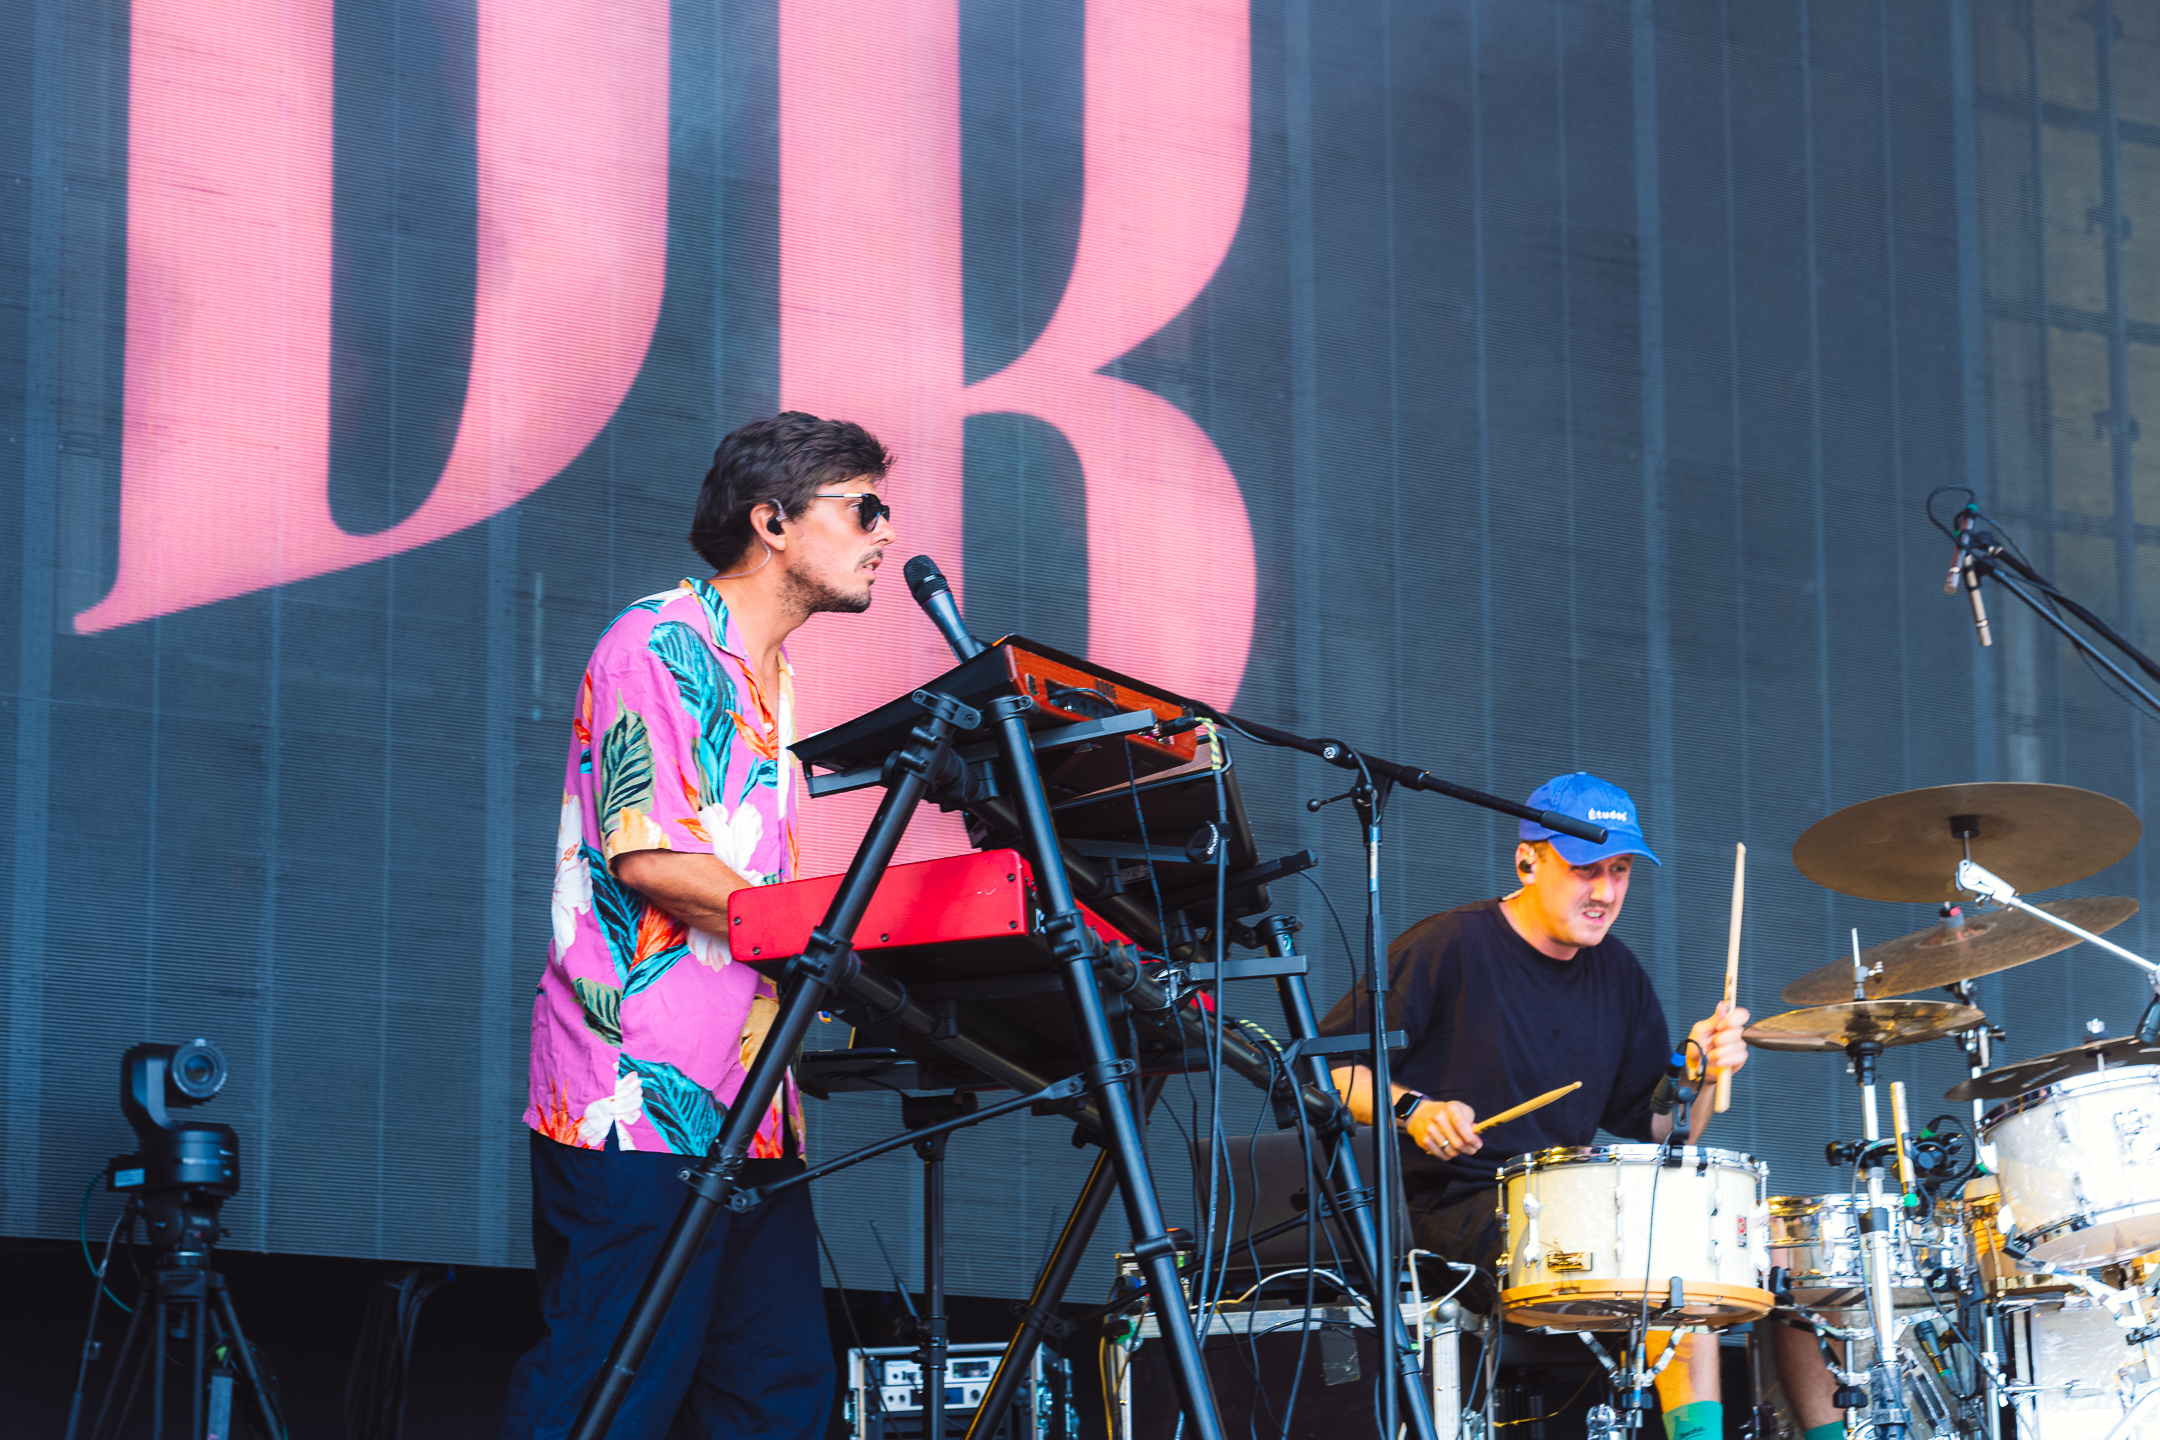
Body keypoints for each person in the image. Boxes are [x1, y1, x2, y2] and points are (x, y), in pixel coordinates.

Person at [500, 413, 897, 1440]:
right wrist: (842, 940)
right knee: (605, 1395)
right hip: (638, 1099)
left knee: (773, 1400)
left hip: (751, 1103)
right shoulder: (660, 642)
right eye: (863, 508)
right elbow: (656, 860)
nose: (885, 533)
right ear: (772, 521)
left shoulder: (775, 680)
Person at [1319, 772, 1753, 1440]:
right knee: (1662, 1264)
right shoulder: (1449, 945)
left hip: (1567, 1216)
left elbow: (1662, 1128)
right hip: (1448, 1209)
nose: (1605, 892)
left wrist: (1697, 1072)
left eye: (1619, 871)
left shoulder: (1619, 973)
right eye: (1585, 870)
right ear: (1527, 861)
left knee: (1716, 1261)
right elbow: (1327, 1071)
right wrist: (1413, 1109)